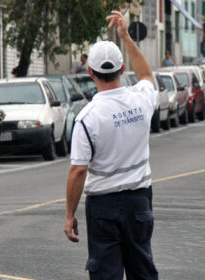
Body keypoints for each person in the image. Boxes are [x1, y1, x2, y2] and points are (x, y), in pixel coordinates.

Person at [64, 10, 158, 280]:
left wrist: (69, 214)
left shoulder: (87, 118)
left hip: (103, 207)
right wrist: (126, 37)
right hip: (139, 201)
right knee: (143, 269)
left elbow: (78, 171)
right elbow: (147, 76)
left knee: (105, 274)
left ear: (90, 71)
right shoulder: (141, 99)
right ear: (122, 70)